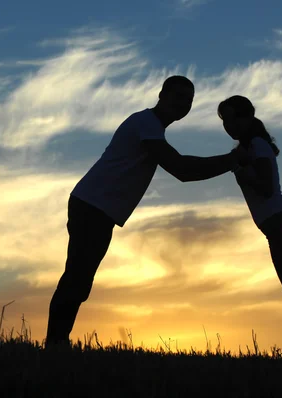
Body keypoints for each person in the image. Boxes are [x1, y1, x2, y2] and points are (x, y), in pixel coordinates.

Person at [45, 76, 249, 347]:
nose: (183, 104)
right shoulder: (146, 125)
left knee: (80, 279)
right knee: (77, 278)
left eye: (188, 101)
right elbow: (182, 169)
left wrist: (230, 162)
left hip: (97, 208)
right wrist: (232, 160)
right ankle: (55, 343)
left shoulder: (151, 128)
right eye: (178, 97)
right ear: (162, 95)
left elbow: (182, 169)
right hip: (92, 205)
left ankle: (57, 343)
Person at [217, 95, 282, 360]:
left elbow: (266, 187)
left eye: (232, 118)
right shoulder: (248, 148)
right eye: (224, 121)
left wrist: (239, 168)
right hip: (278, 228)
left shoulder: (257, 146)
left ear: (247, 117)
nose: (228, 125)